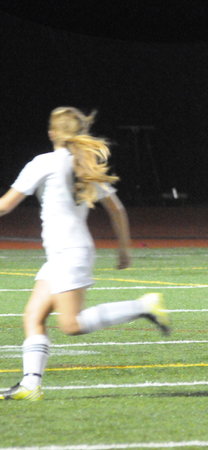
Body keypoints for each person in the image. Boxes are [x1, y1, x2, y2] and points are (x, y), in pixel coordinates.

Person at [0, 107, 169, 401]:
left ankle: (143, 306)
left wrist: (124, 251)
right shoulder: (82, 164)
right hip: (67, 253)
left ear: (52, 133)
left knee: (71, 324)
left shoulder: (44, 163)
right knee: (33, 316)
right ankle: (30, 385)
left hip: (68, 254)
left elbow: (4, 206)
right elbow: (117, 209)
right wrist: (124, 249)